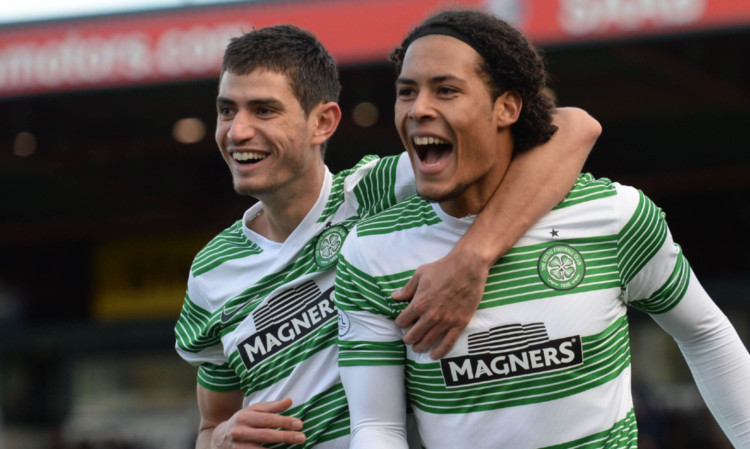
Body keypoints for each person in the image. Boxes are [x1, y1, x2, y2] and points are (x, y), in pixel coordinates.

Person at [334, 9, 750, 449]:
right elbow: (377, 426)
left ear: (507, 107)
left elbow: (705, 335)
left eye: (447, 90)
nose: (418, 109)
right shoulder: (371, 250)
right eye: (406, 92)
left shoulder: (614, 216)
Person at [174, 23, 600, 448]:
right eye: (227, 110)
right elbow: (211, 425)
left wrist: (473, 257)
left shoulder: (374, 195)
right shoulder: (211, 272)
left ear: (323, 122)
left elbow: (573, 127)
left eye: (263, 110)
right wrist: (220, 440)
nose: (237, 131)